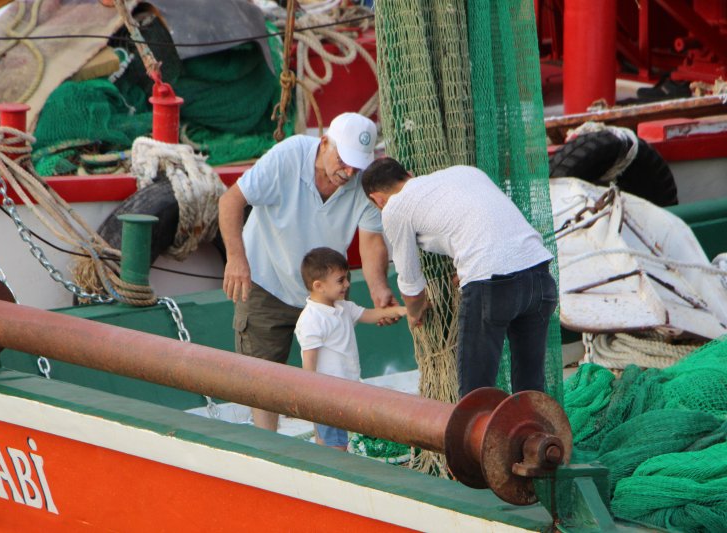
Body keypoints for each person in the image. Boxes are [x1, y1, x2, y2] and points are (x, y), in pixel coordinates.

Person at [218, 113, 398, 432]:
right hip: (265, 281)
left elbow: (371, 240)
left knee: (331, 382)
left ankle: (327, 451)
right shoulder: (288, 156)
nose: (349, 172)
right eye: (343, 160)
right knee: (262, 384)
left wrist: (379, 288)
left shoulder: (364, 180)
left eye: (357, 164)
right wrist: (236, 259)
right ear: (324, 142)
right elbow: (231, 200)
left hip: (326, 290)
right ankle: (266, 452)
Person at [361, 157, 557, 397]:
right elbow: (484, 224)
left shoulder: (394, 208)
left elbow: (411, 282)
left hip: (491, 286)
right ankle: (534, 433)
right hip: (539, 275)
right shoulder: (466, 172)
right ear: (409, 175)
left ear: (377, 199)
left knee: (475, 395)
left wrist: (414, 311)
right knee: (530, 388)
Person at [295, 247, 407, 450]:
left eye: (346, 278)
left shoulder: (343, 307)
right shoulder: (312, 319)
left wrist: (403, 310)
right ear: (319, 286)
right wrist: (308, 397)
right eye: (340, 280)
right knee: (334, 446)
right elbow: (309, 361)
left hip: (346, 391)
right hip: (325, 396)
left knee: (338, 442)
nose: (347, 284)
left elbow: (370, 315)